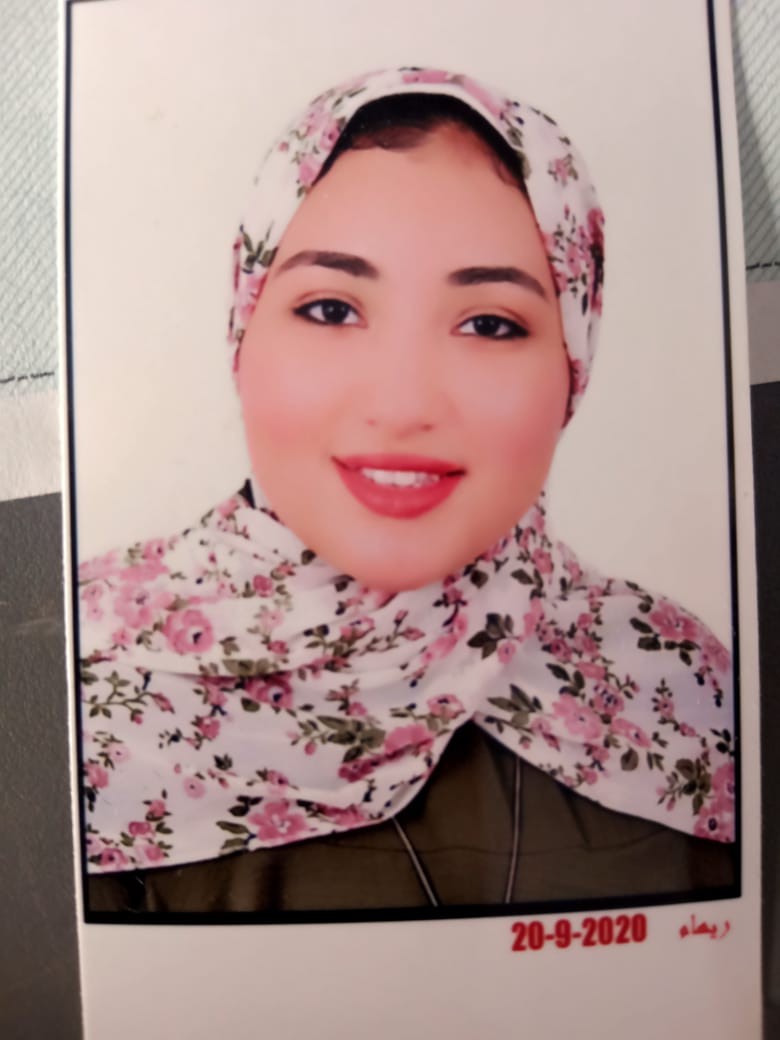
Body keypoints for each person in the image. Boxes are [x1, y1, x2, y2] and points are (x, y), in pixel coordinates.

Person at [80, 68, 736, 914]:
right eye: (331, 310)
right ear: (243, 330)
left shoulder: (674, 690)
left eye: (489, 324)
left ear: (574, 363)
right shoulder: (94, 684)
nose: (401, 405)